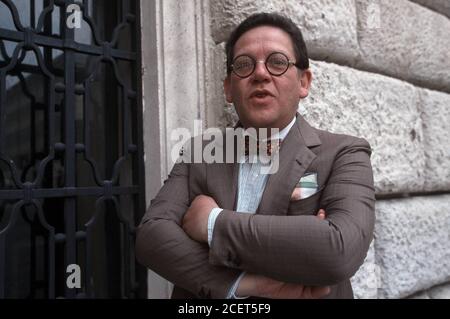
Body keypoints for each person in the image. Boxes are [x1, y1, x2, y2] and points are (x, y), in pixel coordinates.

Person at [136, 12, 375, 299]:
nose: (260, 74)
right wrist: (241, 284)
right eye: (244, 65)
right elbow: (151, 237)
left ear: (304, 82)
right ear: (228, 87)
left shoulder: (344, 153)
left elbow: (338, 251)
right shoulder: (199, 153)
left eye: (277, 62)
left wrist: (212, 222)